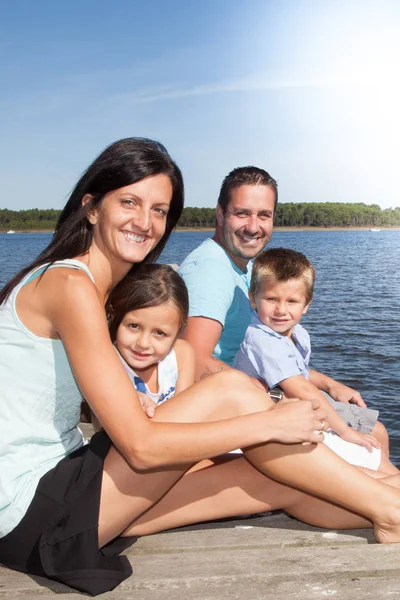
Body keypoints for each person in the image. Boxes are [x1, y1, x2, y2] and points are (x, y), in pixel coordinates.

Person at [3, 139, 400, 597]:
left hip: (64, 481)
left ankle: (388, 506)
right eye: (129, 202)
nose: (145, 222)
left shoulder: (97, 288)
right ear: (91, 208)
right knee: (233, 392)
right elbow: (142, 448)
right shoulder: (69, 283)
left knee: (268, 481)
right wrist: (264, 421)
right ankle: (387, 510)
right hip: (30, 509)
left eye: (159, 210)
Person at [178, 166, 390, 454]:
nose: (253, 226)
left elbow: (273, 358)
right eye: (242, 213)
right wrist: (269, 394)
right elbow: (193, 359)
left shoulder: (245, 266)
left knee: (375, 428)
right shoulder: (210, 271)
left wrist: (328, 383)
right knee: (372, 437)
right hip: (235, 406)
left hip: (264, 392)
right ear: (220, 214)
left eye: (263, 215)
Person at [234, 248, 397, 473]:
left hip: (297, 402)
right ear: (253, 298)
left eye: (292, 301)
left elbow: (299, 373)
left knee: (378, 432)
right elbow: (302, 389)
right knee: (371, 454)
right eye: (271, 299)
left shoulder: (296, 333)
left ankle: (382, 476)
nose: (281, 310)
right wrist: (345, 432)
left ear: (306, 304)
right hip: (276, 413)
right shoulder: (263, 340)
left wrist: (330, 384)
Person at [108, 263, 195, 408]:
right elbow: (101, 425)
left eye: (160, 333)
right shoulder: (107, 362)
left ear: (179, 331)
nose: (143, 343)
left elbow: (185, 413)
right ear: (115, 316)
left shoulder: (181, 354)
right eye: (134, 326)